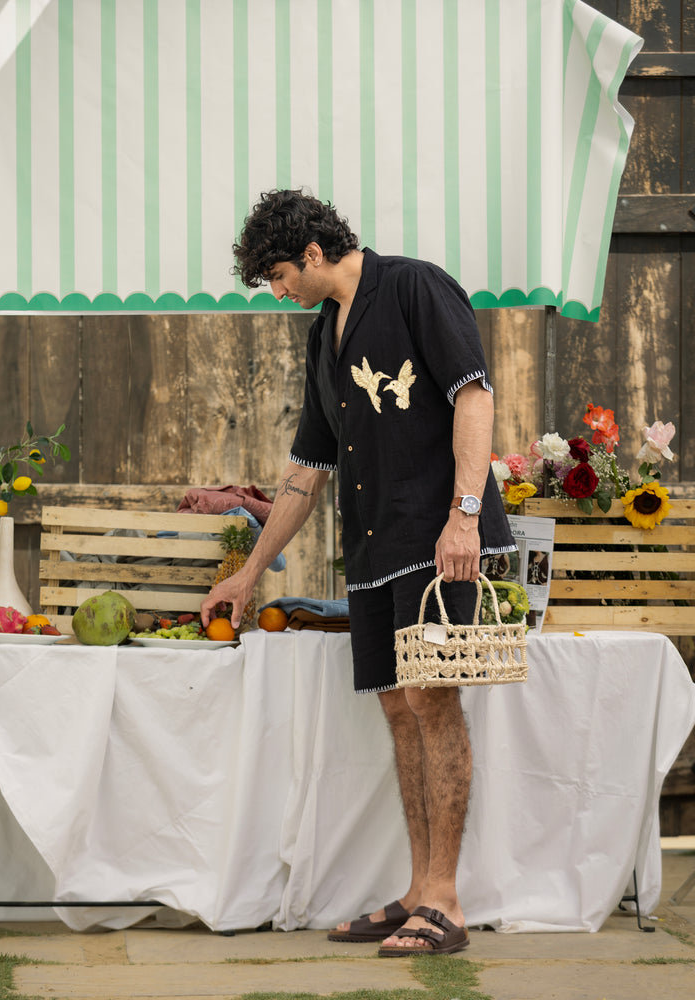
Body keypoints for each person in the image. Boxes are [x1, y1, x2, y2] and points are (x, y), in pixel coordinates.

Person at [201, 189, 516, 957]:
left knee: (432, 701)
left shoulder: (415, 286)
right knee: (399, 711)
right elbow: (306, 470)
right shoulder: (323, 338)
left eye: (278, 276)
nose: (278, 293)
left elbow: (473, 396)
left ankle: (445, 901)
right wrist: (248, 575)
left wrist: (465, 516)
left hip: (441, 541)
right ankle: (416, 890)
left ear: (311, 253)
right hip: (373, 554)